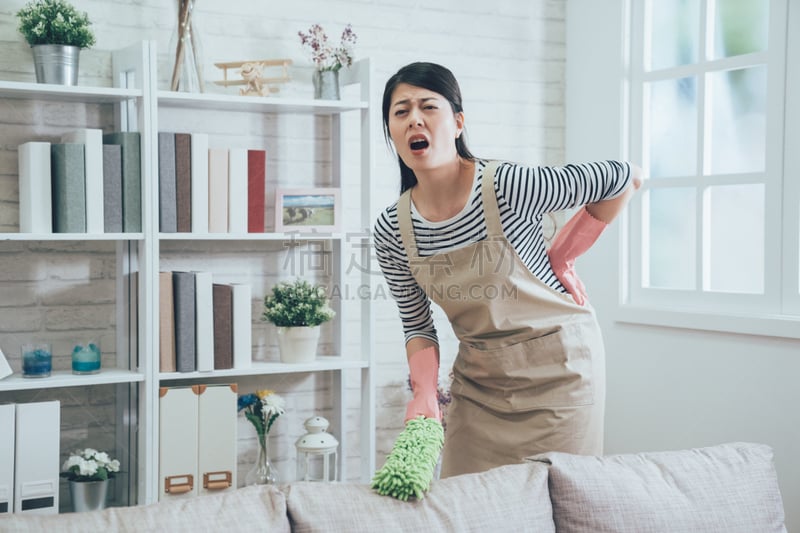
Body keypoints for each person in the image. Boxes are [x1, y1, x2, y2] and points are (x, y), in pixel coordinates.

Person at [373, 62, 642, 478]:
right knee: (466, 507)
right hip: (479, 385)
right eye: (401, 111)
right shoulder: (393, 229)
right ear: (390, 131)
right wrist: (425, 395)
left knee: (561, 503)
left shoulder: (507, 186)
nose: (414, 119)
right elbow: (417, 325)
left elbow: (623, 177)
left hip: (562, 372)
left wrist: (564, 255)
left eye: (428, 106)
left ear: (458, 122)